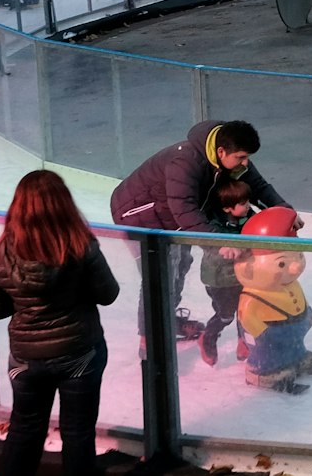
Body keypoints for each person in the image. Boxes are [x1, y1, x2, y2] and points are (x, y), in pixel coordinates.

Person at [0, 170, 119, 476]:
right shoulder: (80, 246)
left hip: (26, 361)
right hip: (79, 354)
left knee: (24, 431)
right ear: (63, 205)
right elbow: (108, 294)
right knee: (78, 434)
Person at [110, 120, 283, 339]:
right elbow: (184, 209)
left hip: (172, 214)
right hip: (138, 215)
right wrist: (219, 242)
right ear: (221, 152)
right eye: (241, 157)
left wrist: (284, 211)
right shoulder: (185, 162)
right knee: (159, 275)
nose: (245, 163)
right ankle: (150, 341)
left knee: (180, 265)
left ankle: (167, 320)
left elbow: (257, 186)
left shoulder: (231, 154)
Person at [195, 178, 262, 367]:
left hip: (243, 275)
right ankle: (208, 337)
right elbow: (211, 250)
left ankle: (244, 341)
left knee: (245, 312)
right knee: (226, 315)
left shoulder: (249, 216)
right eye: (243, 204)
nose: (248, 206)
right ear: (227, 208)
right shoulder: (214, 226)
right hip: (219, 280)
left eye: (248, 202)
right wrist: (230, 249)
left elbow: (261, 228)